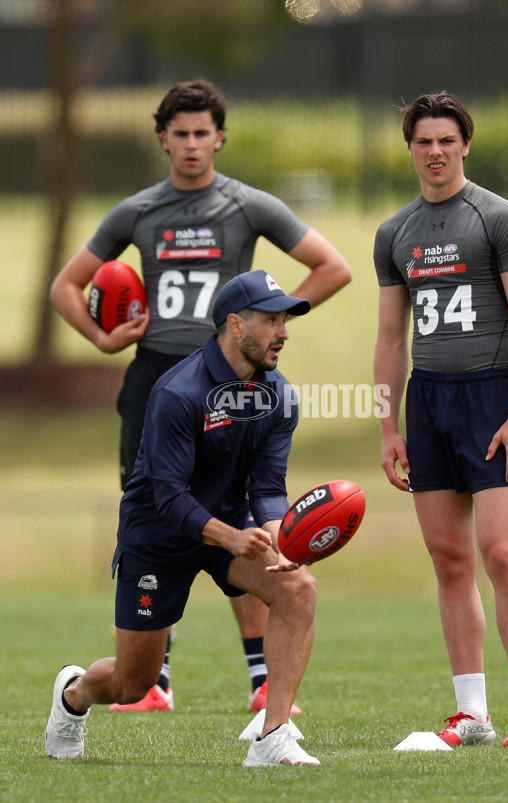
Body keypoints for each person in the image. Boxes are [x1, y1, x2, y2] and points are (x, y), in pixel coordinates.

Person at [50, 78, 351, 713]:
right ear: (164, 140)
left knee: (239, 513)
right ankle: (153, 680)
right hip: (161, 381)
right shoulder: (137, 210)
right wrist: (105, 340)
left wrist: (271, 327)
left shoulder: (247, 206)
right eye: (180, 133)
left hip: (234, 382)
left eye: (202, 132)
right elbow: (65, 288)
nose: (191, 144)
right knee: (163, 508)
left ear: (219, 138)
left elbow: (334, 267)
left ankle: (260, 681)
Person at [45, 270, 321, 766]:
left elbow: (267, 485)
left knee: (298, 587)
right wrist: (232, 537)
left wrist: (282, 539)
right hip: (158, 536)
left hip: (229, 528)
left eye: (286, 321)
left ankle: (273, 734)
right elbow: (168, 497)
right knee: (134, 683)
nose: (284, 332)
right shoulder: (179, 392)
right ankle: (73, 695)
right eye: (272, 320)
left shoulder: (279, 396)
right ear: (235, 325)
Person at [373, 91, 508, 748]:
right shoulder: (395, 233)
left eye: (447, 140)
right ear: (411, 148)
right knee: (449, 558)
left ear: (465, 144)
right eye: (424, 141)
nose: (436, 151)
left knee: (501, 552)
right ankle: (471, 711)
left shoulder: (498, 218)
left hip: (491, 398)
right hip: (428, 402)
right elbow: (391, 340)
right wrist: (388, 428)